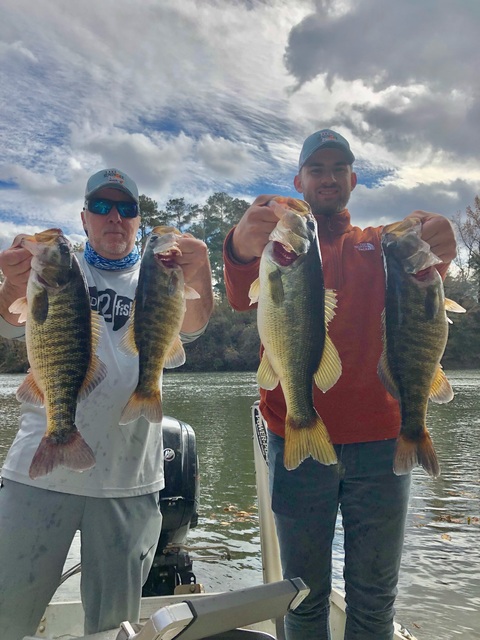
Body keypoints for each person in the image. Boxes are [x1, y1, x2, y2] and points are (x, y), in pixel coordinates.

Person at [223, 130, 457, 640]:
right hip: (297, 432)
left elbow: (426, 272)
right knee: (302, 597)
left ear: (353, 178)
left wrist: (440, 237)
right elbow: (243, 293)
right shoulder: (277, 246)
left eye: (338, 168)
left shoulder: (379, 242)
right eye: (316, 168)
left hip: (381, 444)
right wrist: (242, 242)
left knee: (374, 600)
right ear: (299, 179)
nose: (327, 177)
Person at [0, 168, 214, 639]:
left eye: (125, 208)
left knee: (112, 629)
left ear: (139, 219)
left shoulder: (162, 271)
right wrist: (15, 281)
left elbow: (194, 325)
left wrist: (201, 273)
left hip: (130, 479)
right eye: (100, 206)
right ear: (83, 217)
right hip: (38, 471)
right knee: (6, 616)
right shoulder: (66, 269)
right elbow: (12, 323)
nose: (113, 216)